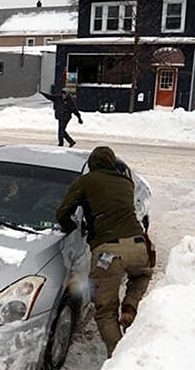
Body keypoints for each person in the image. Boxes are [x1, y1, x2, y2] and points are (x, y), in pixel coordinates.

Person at [56, 147, 153, 358]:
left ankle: (120, 359)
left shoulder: (87, 181)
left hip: (108, 252)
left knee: (105, 310)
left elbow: (63, 210)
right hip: (138, 245)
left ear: (92, 164)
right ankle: (130, 306)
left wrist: (68, 225)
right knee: (141, 275)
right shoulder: (126, 183)